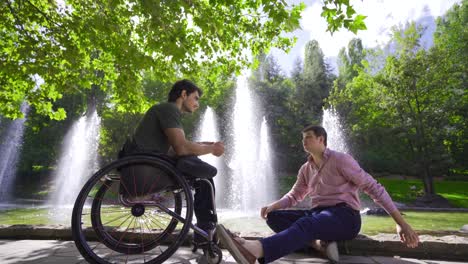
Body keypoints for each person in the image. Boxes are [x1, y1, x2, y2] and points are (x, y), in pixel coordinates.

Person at [217, 125, 419, 264]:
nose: (304, 142)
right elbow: (295, 195)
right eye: (303, 139)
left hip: (345, 217)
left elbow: (374, 188)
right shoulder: (306, 168)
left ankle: (256, 251)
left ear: (321, 139)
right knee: (275, 217)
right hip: (319, 216)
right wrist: (273, 206)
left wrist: (401, 222)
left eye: (308, 138)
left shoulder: (342, 160)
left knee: (307, 224)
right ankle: (318, 244)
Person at [120, 79, 225, 244]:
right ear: (184, 94)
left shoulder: (165, 112)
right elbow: (182, 148)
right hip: (146, 170)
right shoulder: (169, 109)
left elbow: (175, 149)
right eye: (196, 98)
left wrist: (205, 145)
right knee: (203, 176)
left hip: (143, 166)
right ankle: (206, 230)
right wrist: (211, 149)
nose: (197, 104)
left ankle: (205, 231)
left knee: (198, 168)